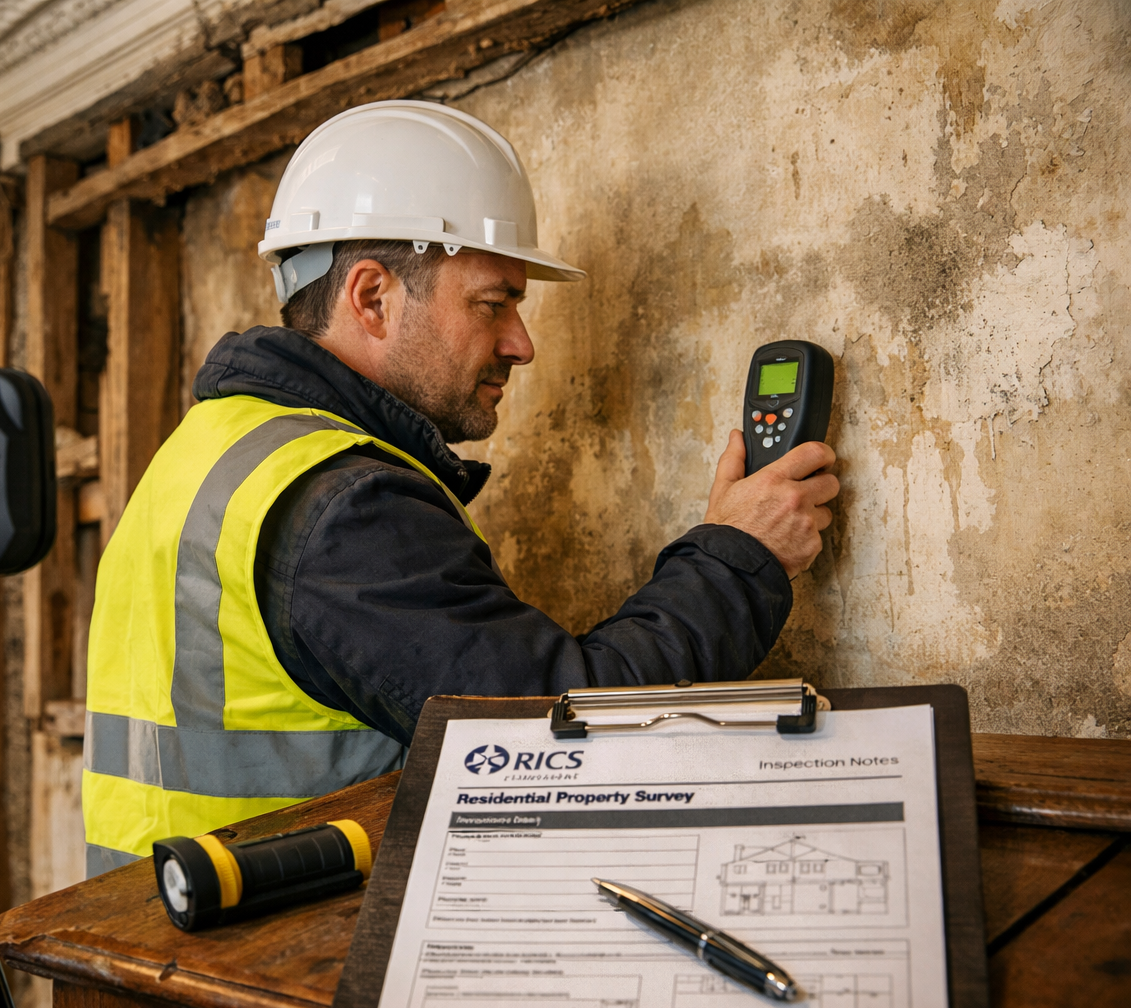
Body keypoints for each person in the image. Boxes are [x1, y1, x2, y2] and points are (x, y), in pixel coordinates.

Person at [82, 101, 839, 875]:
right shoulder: (341, 505)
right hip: (276, 955)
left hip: (155, 934)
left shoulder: (205, 451)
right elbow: (556, 734)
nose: (523, 343)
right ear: (372, 297)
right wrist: (741, 555)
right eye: (493, 302)